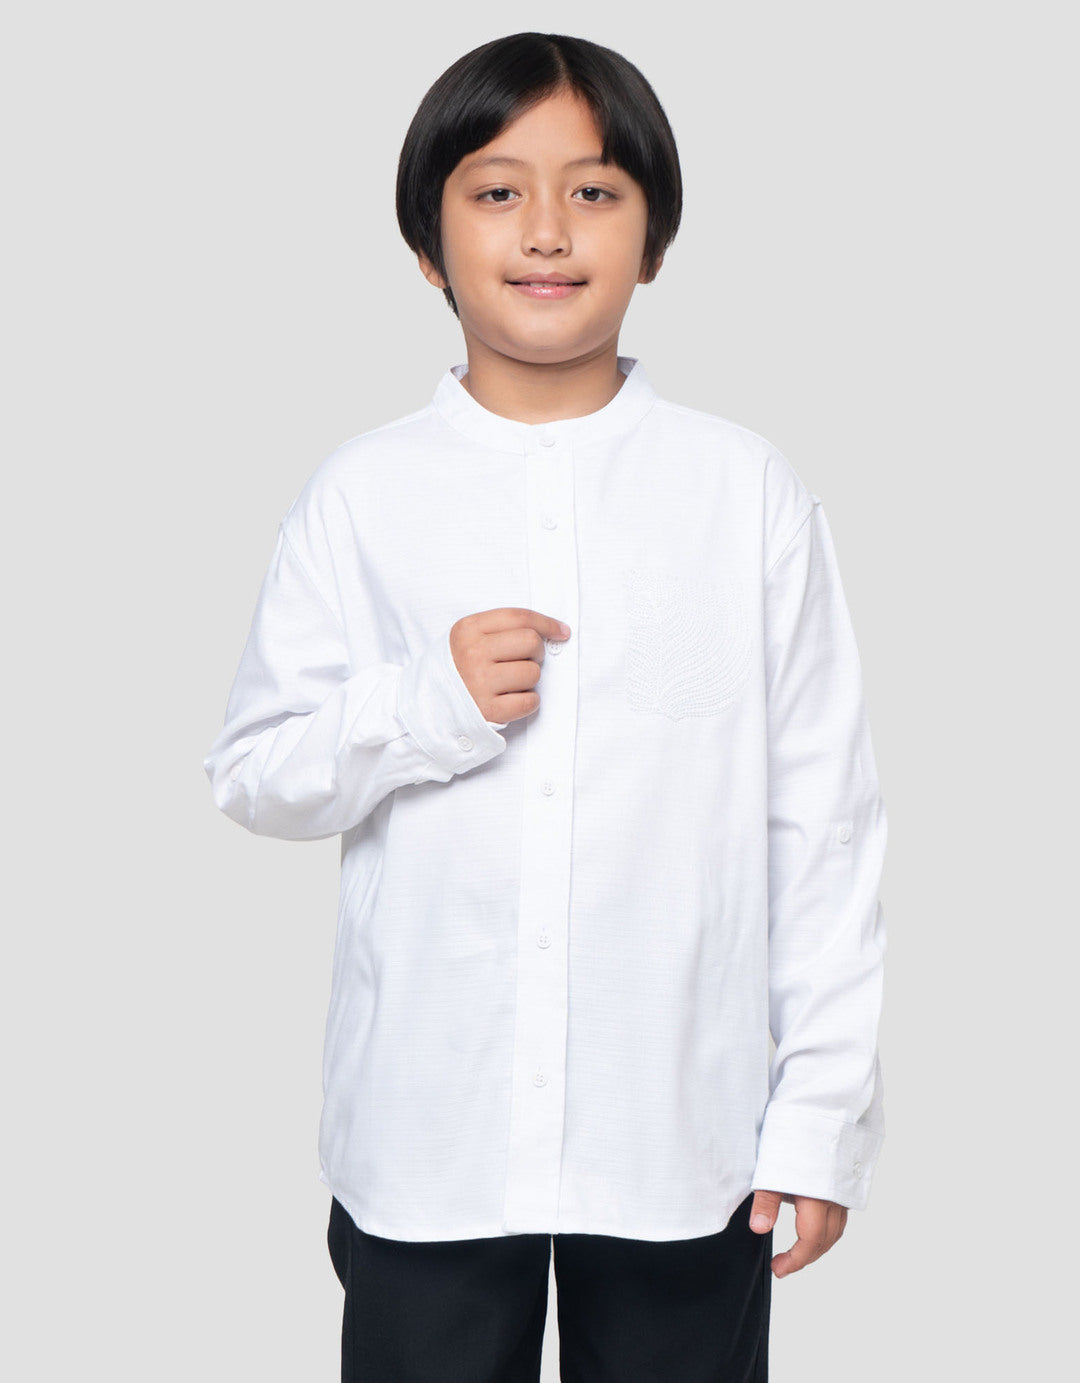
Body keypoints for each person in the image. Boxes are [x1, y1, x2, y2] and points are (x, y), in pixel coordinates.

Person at [203, 30, 889, 1383]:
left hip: (682, 1139)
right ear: (428, 242)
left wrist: (821, 1117)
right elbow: (255, 772)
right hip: (428, 1135)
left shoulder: (744, 493)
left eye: (594, 190)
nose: (547, 232)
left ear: (654, 237)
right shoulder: (363, 494)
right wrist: (422, 706)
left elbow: (823, 824)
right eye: (497, 190)